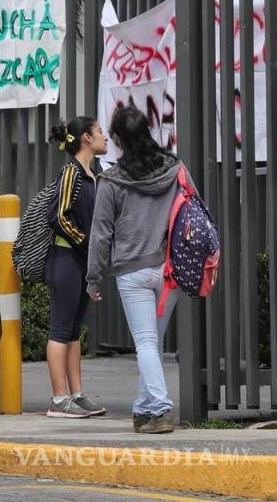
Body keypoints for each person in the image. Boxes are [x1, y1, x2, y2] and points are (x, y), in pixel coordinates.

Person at [87, 106, 187, 435]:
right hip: (169, 270)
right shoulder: (175, 168)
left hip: (133, 272)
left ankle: (159, 407)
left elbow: (101, 233)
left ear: (117, 140)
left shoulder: (112, 180)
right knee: (153, 342)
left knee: (145, 342)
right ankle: (144, 409)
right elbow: (192, 209)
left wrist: (93, 277)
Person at [44, 117, 108, 418]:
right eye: (99, 132)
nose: (104, 137)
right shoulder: (71, 172)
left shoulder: (94, 175)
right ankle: (59, 399)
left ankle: (77, 394)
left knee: (73, 331)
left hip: (82, 260)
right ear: (86, 138)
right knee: (60, 329)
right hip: (66, 257)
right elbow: (58, 215)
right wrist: (86, 243)